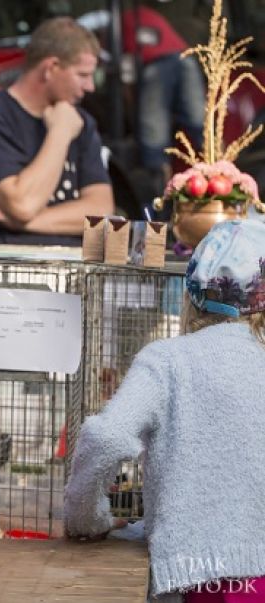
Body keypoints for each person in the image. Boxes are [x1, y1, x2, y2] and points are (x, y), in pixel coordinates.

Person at [65, 219, 265, 601]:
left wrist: (87, 518)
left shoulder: (168, 360)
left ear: (191, 291)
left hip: (190, 578)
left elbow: (106, 437)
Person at [0, 17, 115, 246]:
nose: (90, 86)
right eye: (82, 75)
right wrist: (60, 132)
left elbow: (101, 211)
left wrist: (24, 222)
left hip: (74, 265)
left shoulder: (82, 122)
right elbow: (23, 205)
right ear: (51, 68)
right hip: (6, 265)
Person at [123, 5, 205, 198]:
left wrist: (132, 110)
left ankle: (161, 197)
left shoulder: (118, 27)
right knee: (204, 130)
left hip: (157, 67)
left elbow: (126, 79)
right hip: (187, 59)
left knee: (154, 137)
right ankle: (227, 179)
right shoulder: (146, 14)